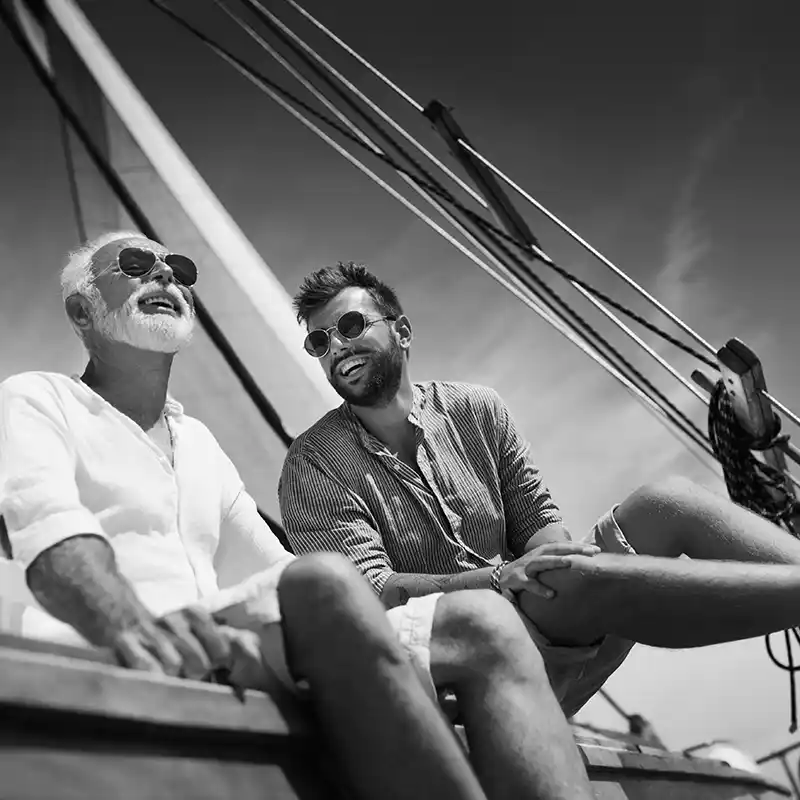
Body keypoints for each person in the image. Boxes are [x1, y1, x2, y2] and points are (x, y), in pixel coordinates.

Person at [0, 232, 596, 800]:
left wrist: (390, 647)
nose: (164, 274)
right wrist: (130, 626)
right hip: (102, 652)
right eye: (132, 264)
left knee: (482, 622)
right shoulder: (36, 399)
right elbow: (52, 539)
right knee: (327, 579)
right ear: (82, 312)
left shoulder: (198, 441)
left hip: (223, 647)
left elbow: (275, 570)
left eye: (180, 271)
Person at [280, 260, 800, 723]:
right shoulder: (312, 464)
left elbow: (537, 520)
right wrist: (502, 579)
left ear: (403, 331)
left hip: (547, 629)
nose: (337, 347)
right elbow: (369, 596)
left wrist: (557, 558)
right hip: (453, 666)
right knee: (568, 577)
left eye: (350, 326)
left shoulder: (476, 408)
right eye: (319, 342)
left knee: (665, 502)